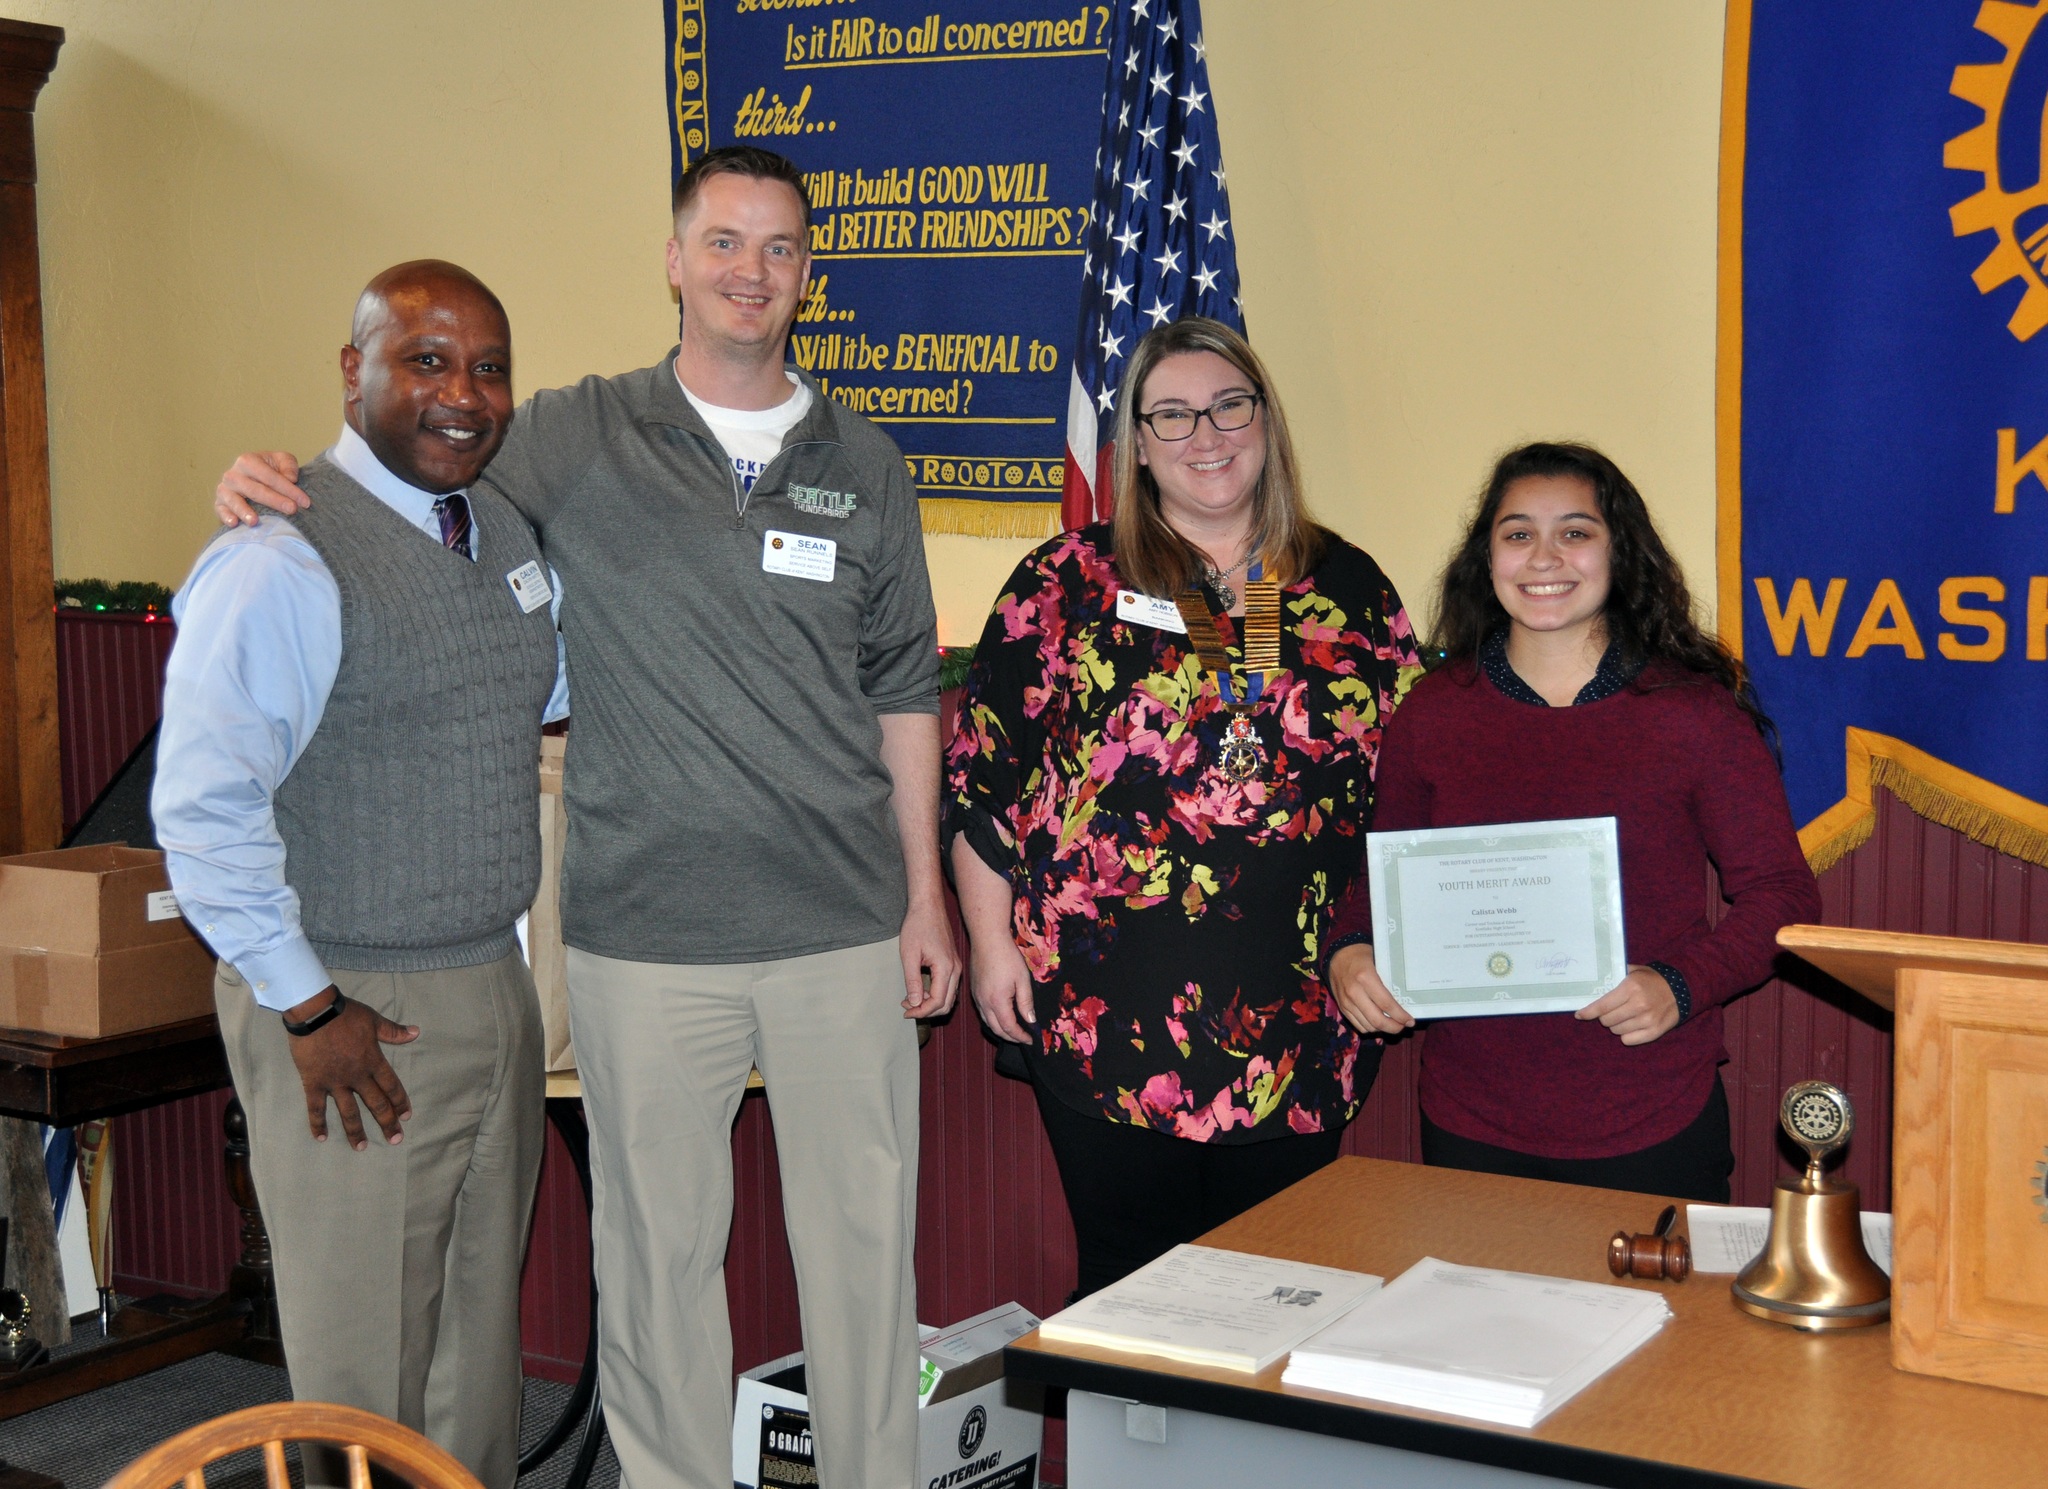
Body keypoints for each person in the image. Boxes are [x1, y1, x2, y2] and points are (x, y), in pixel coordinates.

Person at [213, 146, 957, 1489]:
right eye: (724, 242)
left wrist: (927, 897)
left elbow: (906, 688)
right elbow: (414, 469)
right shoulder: (572, 430)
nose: (752, 271)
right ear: (674, 263)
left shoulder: (867, 462)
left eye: (781, 247)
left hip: (842, 928)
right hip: (642, 935)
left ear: (809, 276)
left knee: (864, 1256)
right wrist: (276, 484)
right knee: (658, 1264)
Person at [154, 261, 566, 1488]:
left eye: (488, 368)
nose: (463, 393)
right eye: (425, 360)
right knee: (359, 1388)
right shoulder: (279, 558)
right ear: (355, 372)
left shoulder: (505, 534)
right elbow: (204, 806)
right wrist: (307, 1004)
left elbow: (540, 694)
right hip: (348, 1012)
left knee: (473, 1372)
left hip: (489, 985)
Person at [945, 316, 1424, 1297]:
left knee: (1272, 1293)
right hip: (1103, 1014)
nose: (1204, 436)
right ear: (1137, 442)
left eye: (1226, 406)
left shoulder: (1348, 588)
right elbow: (982, 779)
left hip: (1299, 1013)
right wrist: (991, 947)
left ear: (1265, 422)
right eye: (1171, 415)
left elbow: (1410, 789)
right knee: (1130, 1286)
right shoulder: (1062, 584)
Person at [1327, 441, 1822, 1202]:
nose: (1544, 556)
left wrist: (1682, 986)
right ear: (1486, 557)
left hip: (1653, 1112)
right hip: (1471, 1116)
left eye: (1576, 531)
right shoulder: (1433, 712)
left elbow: (1783, 896)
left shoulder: (1693, 715)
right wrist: (1350, 952)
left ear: (1618, 551)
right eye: (1518, 532)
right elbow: (1375, 881)